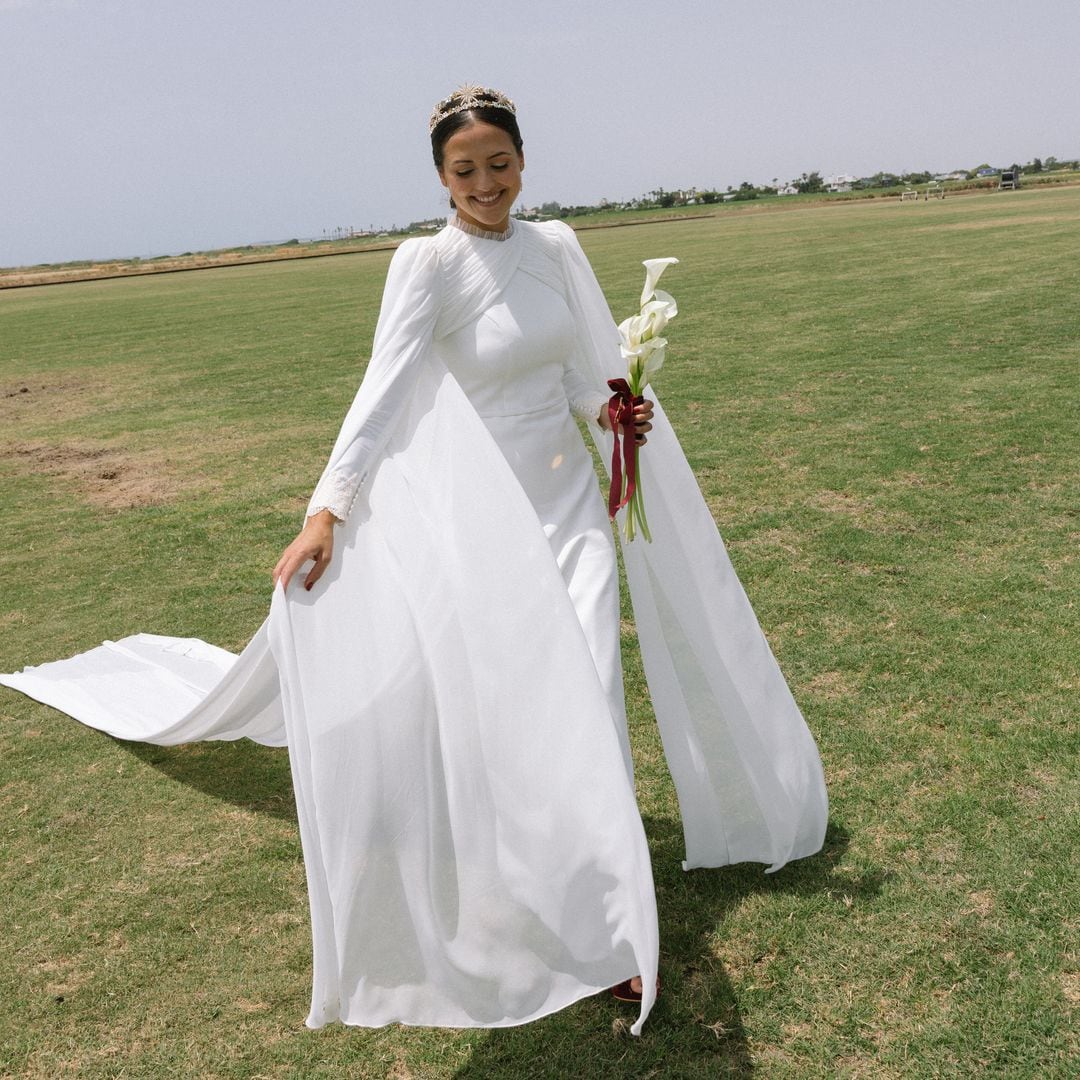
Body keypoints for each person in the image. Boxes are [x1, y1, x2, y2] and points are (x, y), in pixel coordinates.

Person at [0, 86, 828, 1037]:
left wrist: (616, 411)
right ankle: (575, 908)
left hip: (568, 514)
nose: (486, 183)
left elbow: (576, 379)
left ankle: (608, 928)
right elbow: (381, 392)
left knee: (593, 691)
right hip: (483, 527)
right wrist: (328, 510)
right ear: (441, 177)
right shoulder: (425, 265)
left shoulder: (557, 248)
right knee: (521, 709)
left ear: (524, 161)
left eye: (500, 163)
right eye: (465, 170)